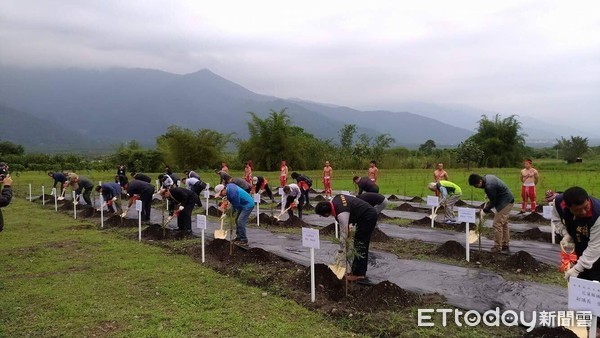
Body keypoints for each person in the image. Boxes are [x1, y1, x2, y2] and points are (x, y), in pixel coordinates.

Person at [315, 195, 378, 281]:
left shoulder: (341, 214)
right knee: (358, 242)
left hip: (368, 216)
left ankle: (359, 274)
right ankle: (354, 270)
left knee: (360, 244)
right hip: (364, 213)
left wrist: (341, 250)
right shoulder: (336, 199)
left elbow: (344, 233)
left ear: (326, 214)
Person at [552, 187, 600, 282]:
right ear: (567, 206)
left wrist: (577, 269)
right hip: (581, 246)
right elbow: (556, 219)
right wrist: (565, 234)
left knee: (594, 278)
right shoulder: (559, 203)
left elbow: (595, 247)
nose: (583, 212)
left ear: (588, 199)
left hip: (597, 249)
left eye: (586, 207)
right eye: (577, 210)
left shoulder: (597, 214)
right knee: (582, 280)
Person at [468, 174, 515, 253]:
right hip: (506, 200)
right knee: (504, 223)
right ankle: (505, 244)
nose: (477, 187)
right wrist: (488, 194)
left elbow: (493, 201)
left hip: (505, 202)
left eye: (476, 186)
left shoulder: (489, 186)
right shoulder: (486, 178)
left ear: (480, 181)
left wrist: (485, 211)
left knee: (497, 224)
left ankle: (497, 247)